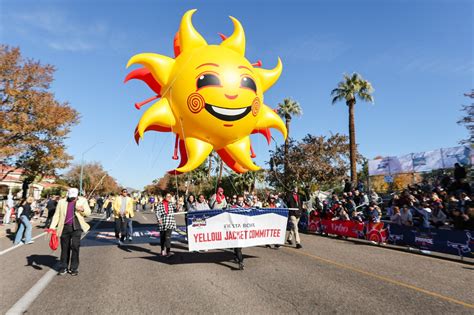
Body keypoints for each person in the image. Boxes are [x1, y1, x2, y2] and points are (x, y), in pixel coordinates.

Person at [50, 188, 91, 276]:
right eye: (71, 197)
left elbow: (88, 213)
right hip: (64, 227)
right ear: (67, 194)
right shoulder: (61, 202)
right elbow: (57, 215)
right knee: (65, 248)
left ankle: (74, 268)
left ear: (77, 195)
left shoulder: (83, 200)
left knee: (75, 247)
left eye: (74, 197)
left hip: (77, 227)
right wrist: (52, 227)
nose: (73, 198)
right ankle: (63, 266)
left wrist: (82, 210)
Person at [156, 193, 177, 257]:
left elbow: (175, 210)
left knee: (168, 237)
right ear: (164, 196)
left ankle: (168, 251)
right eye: (167, 196)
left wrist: (177, 206)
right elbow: (157, 213)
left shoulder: (171, 204)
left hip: (170, 222)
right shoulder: (160, 204)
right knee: (162, 237)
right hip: (163, 223)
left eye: (170, 196)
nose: (169, 197)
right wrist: (159, 219)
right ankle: (162, 250)